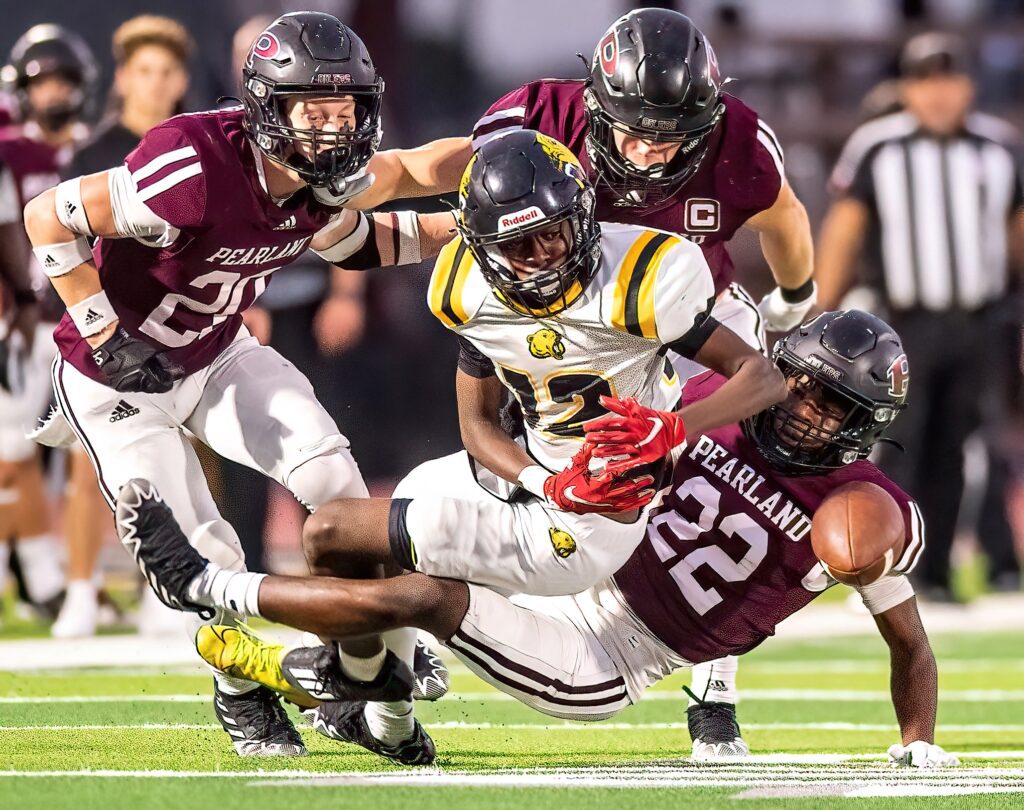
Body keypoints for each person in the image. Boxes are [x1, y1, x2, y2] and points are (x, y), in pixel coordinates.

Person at [116, 127, 785, 765]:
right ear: (485, 250)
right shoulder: (468, 287)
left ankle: (229, 596)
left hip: (590, 521)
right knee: (357, 524)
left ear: (583, 219)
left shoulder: (644, 274)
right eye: (520, 249)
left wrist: (671, 430)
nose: (543, 260)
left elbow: (761, 375)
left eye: (554, 237)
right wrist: (543, 481)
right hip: (536, 479)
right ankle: (385, 714)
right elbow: (479, 428)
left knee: (340, 535)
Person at [115, 310, 959, 770]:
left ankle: (213, 589)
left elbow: (909, 640)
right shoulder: (709, 396)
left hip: (613, 651)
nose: (809, 413)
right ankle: (377, 703)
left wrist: (917, 741)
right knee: (347, 527)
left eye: (835, 408)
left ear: (867, 427)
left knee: (424, 597)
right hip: (570, 547)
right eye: (807, 390)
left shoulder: (864, 511)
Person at [357, 7, 815, 757]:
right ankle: (454, 601)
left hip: (682, 318)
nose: (647, 151)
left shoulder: (740, 141)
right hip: (559, 305)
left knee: (722, 469)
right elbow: (428, 168)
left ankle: (714, 684)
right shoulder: (539, 116)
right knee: (498, 452)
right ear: (594, 102)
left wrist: (795, 298)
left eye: (670, 135)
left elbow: (783, 216)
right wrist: (342, 190)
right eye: (633, 128)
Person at [22, 11, 462, 758]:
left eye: (345, 108)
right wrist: (103, 331)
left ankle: (356, 677)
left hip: (219, 353)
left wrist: (466, 225)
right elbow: (45, 218)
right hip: (116, 375)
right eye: (314, 112)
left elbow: (365, 231)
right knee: (203, 552)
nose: (334, 128)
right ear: (266, 109)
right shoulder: (193, 166)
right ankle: (241, 690)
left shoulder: (328, 179)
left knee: (336, 482)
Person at [816, 32, 1023, 600]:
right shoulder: (878, 145)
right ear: (907, 87)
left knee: (959, 444)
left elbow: (1015, 234)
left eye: (949, 79)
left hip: (978, 319)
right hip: (903, 325)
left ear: (968, 86)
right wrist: (819, 313)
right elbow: (845, 229)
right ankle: (893, 569)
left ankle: (935, 572)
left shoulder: (999, 146)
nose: (938, 93)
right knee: (903, 441)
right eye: (925, 80)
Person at [52, 15, 196, 639]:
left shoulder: (197, 149)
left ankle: (161, 590)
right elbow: (58, 241)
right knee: (92, 465)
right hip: (103, 324)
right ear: (124, 77)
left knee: (182, 459)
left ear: (181, 79)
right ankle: (81, 590)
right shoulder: (93, 151)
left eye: (166, 71)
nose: (155, 82)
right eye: (144, 70)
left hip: (179, 322)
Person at [0, 24, 98, 623]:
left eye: (64, 81)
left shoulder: (94, 148)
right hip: (29, 318)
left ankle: (54, 576)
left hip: (87, 314)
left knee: (76, 461)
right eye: (44, 83)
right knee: (14, 452)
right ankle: (41, 578)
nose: (55, 93)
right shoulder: (10, 151)